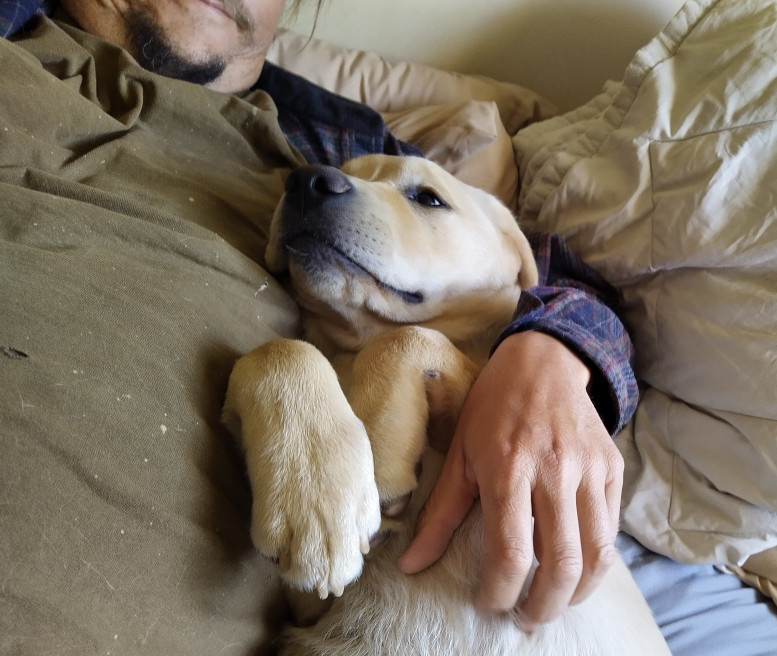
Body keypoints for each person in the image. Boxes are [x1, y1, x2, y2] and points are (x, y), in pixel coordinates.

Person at [1, 0, 635, 624]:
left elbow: (579, 286)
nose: (330, 183)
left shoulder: (333, 138)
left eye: (421, 197)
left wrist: (552, 355)